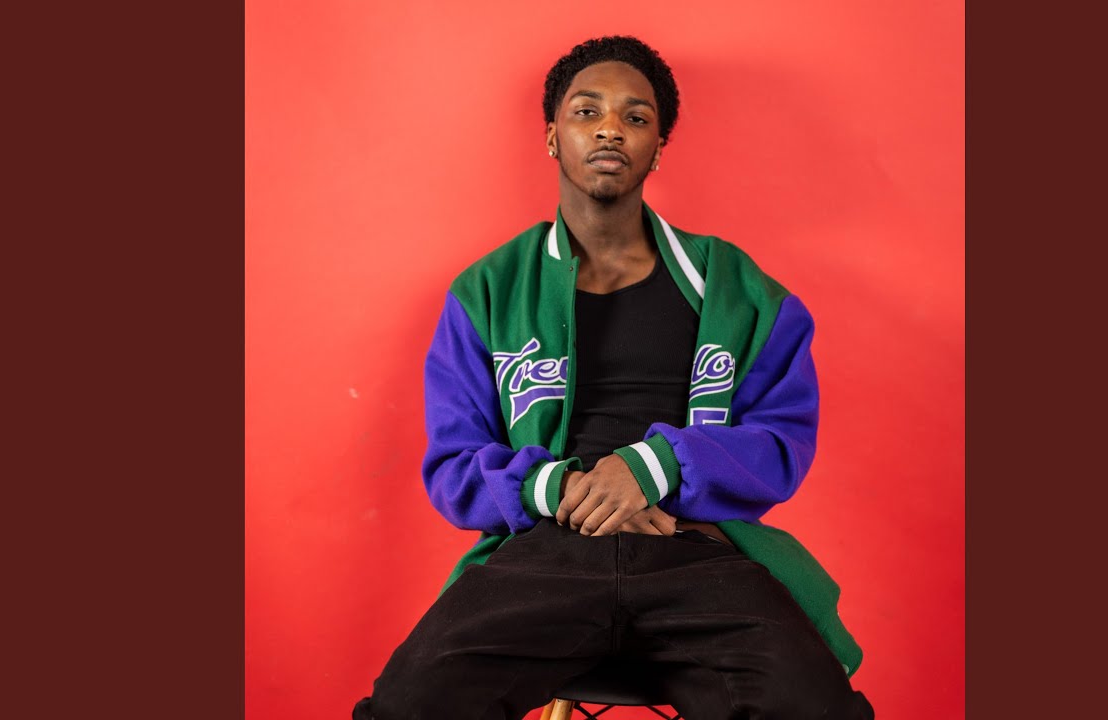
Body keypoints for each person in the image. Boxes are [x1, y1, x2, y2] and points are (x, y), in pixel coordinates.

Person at [353, 35, 874, 720]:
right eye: (586, 111)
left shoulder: (740, 291)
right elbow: (454, 465)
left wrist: (651, 467)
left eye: (635, 117)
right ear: (552, 136)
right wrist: (562, 487)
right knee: (407, 706)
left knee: (812, 708)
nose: (609, 128)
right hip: (547, 554)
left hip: (693, 550)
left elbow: (781, 442)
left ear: (658, 147)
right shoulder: (487, 292)